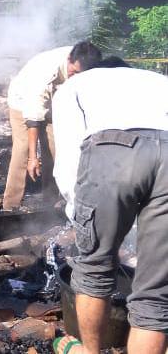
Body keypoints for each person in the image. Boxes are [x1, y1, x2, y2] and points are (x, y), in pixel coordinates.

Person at [50, 58, 168, 354]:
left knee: (93, 271)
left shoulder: (74, 86)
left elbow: (67, 164)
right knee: (155, 296)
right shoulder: (158, 80)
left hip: (114, 148)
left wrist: (80, 219)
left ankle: (90, 352)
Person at [3, 42, 101, 210]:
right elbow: (33, 118)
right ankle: (11, 204)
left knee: (56, 148)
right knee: (23, 149)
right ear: (69, 59)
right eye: (74, 72)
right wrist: (34, 158)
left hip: (53, 102)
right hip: (23, 100)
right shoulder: (45, 73)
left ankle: (50, 201)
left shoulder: (89, 65)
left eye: (81, 74)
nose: (76, 77)